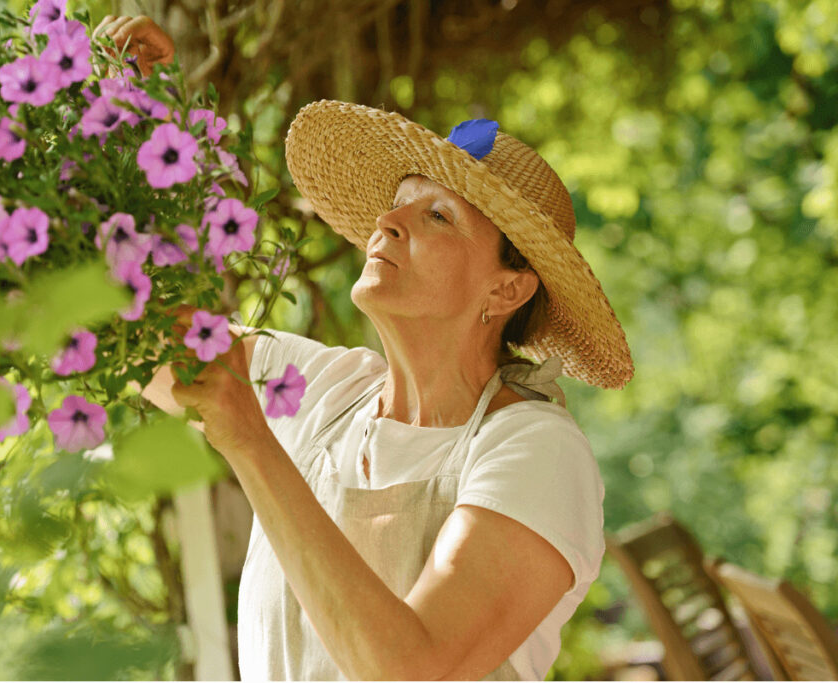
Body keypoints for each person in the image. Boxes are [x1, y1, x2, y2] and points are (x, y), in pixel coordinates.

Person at [106, 16, 634, 681]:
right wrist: (118, 112)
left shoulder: (532, 450)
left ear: (506, 289)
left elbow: (412, 668)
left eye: (435, 215)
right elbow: (124, 328)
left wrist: (250, 440)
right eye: (399, 203)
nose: (387, 221)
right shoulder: (326, 391)